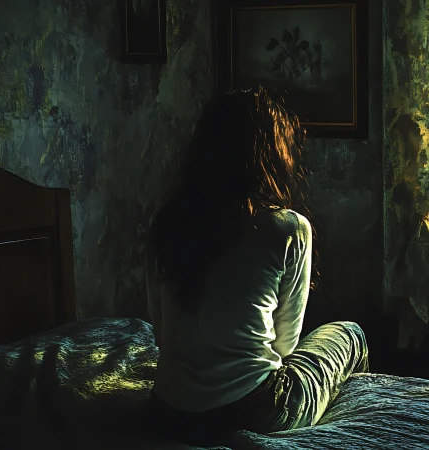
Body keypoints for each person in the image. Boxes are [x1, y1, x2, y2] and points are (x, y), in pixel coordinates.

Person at [145, 87, 369, 443]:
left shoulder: (166, 224)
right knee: (350, 334)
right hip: (255, 408)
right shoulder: (287, 229)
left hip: (169, 412)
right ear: (269, 154)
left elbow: (160, 334)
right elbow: (284, 346)